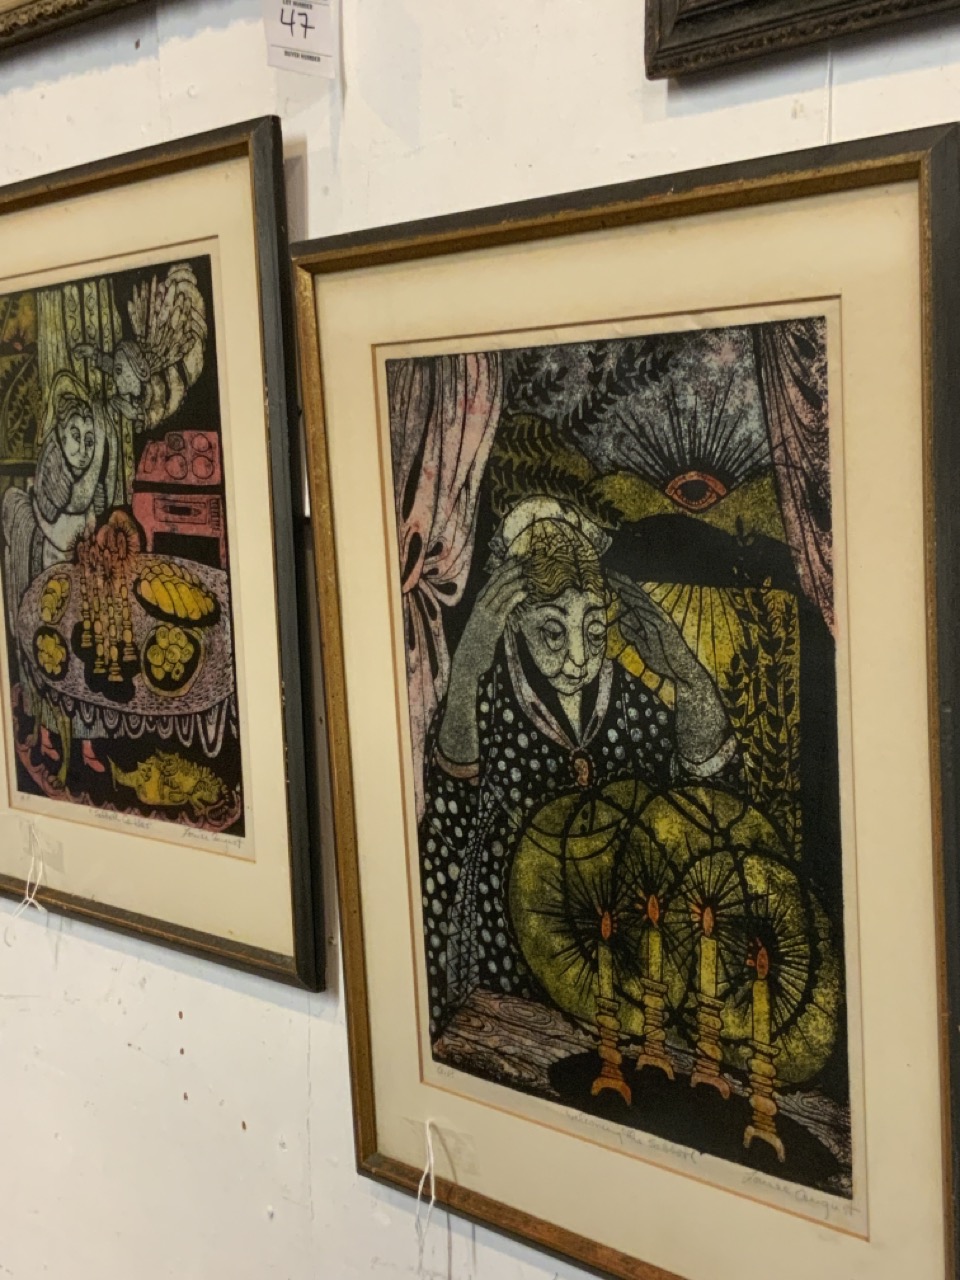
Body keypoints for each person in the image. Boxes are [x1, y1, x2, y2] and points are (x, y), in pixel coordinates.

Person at [419, 496, 739, 1034]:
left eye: (593, 631)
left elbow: (702, 806)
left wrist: (688, 677)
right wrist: (468, 668)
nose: (578, 658)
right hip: (514, 946)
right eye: (552, 632)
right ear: (513, 622)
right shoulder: (488, 699)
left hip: (626, 946)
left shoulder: (627, 697)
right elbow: (450, 820)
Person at [1, 371, 121, 771]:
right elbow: (68, 517)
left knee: (87, 661)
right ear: (58, 435)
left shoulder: (85, 483)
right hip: (50, 587)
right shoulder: (53, 481)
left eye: (88, 440)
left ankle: (87, 743)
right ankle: (48, 734)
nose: (82, 448)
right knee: (51, 658)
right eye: (74, 436)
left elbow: (90, 517)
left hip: (79, 585)